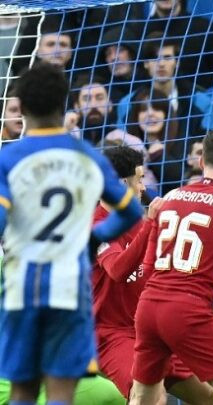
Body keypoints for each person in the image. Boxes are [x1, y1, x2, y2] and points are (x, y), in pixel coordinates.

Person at [0, 62, 143, 405]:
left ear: (22, 109)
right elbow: (131, 210)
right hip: (69, 287)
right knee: (63, 391)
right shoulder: (86, 156)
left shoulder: (10, 158)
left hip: (23, 286)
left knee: (23, 389)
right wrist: (93, 240)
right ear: (64, 104)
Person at [129, 130, 213, 405]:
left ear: (201, 161)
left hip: (148, 308)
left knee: (143, 399)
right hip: (187, 310)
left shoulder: (170, 198)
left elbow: (147, 263)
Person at [93, 146, 213, 404]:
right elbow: (117, 270)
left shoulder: (138, 221)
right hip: (112, 334)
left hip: (150, 328)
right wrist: (150, 225)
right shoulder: (95, 225)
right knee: (153, 399)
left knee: (205, 396)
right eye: (139, 179)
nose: (142, 187)